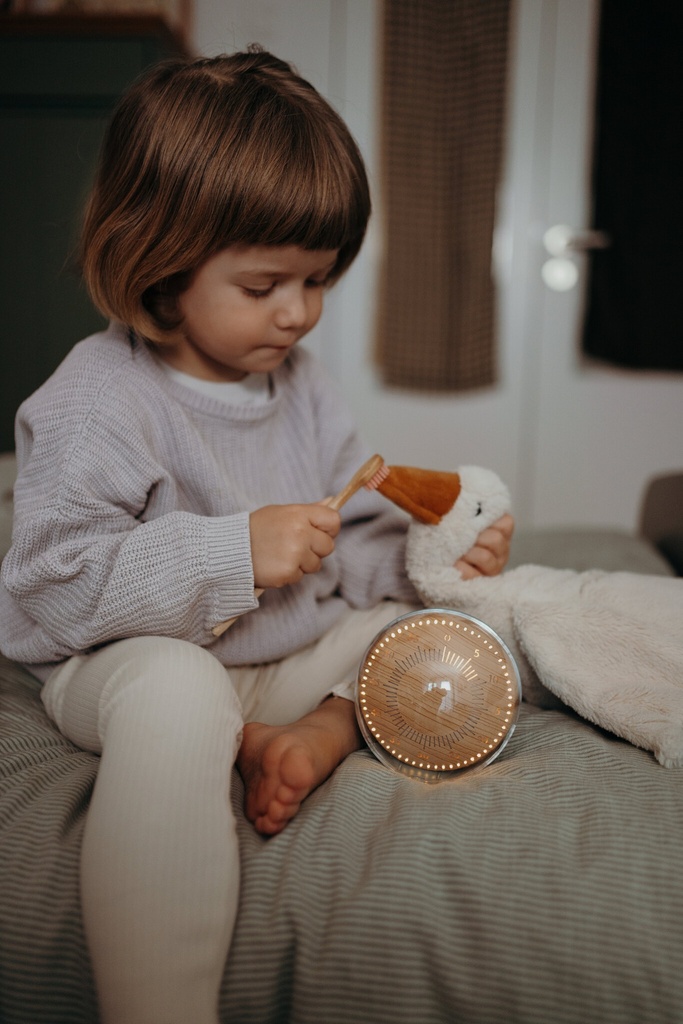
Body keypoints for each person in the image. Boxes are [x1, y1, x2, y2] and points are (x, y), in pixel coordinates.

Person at [0, 48, 514, 1024]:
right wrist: (230, 551)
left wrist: (429, 554)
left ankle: (308, 731)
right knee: (178, 694)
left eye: (318, 279)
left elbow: (356, 548)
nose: (298, 312)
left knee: (439, 630)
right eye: (265, 283)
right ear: (158, 255)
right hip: (125, 662)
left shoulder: (301, 384)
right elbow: (44, 596)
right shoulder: (97, 396)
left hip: (276, 658)